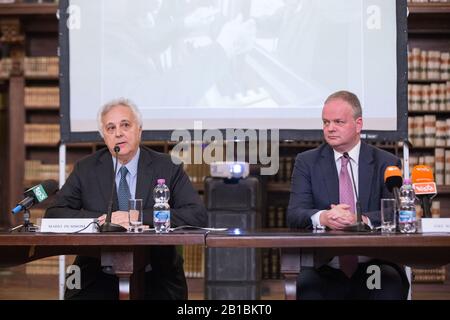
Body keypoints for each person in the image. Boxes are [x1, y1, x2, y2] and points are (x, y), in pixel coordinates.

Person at [45, 98, 207, 300]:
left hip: (156, 273)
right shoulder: (85, 168)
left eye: (125, 125)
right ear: (104, 136)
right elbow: (54, 214)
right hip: (96, 272)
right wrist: (101, 220)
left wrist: (138, 217)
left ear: (139, 129)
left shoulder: (167, 166)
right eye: (110, 128)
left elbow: (197, 215)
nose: (118, 133)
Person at [287, 90, 410, 300]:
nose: (330, 128)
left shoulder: (386, 163)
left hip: (372, 266)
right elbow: (294, 213)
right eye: (326, 122)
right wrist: (323, 217)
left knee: (387, 285)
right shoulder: (307, 162)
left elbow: (399, 212)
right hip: (324, 267)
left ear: (358, 124)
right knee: (306, 287)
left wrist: (361, 220)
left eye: (338, 122)